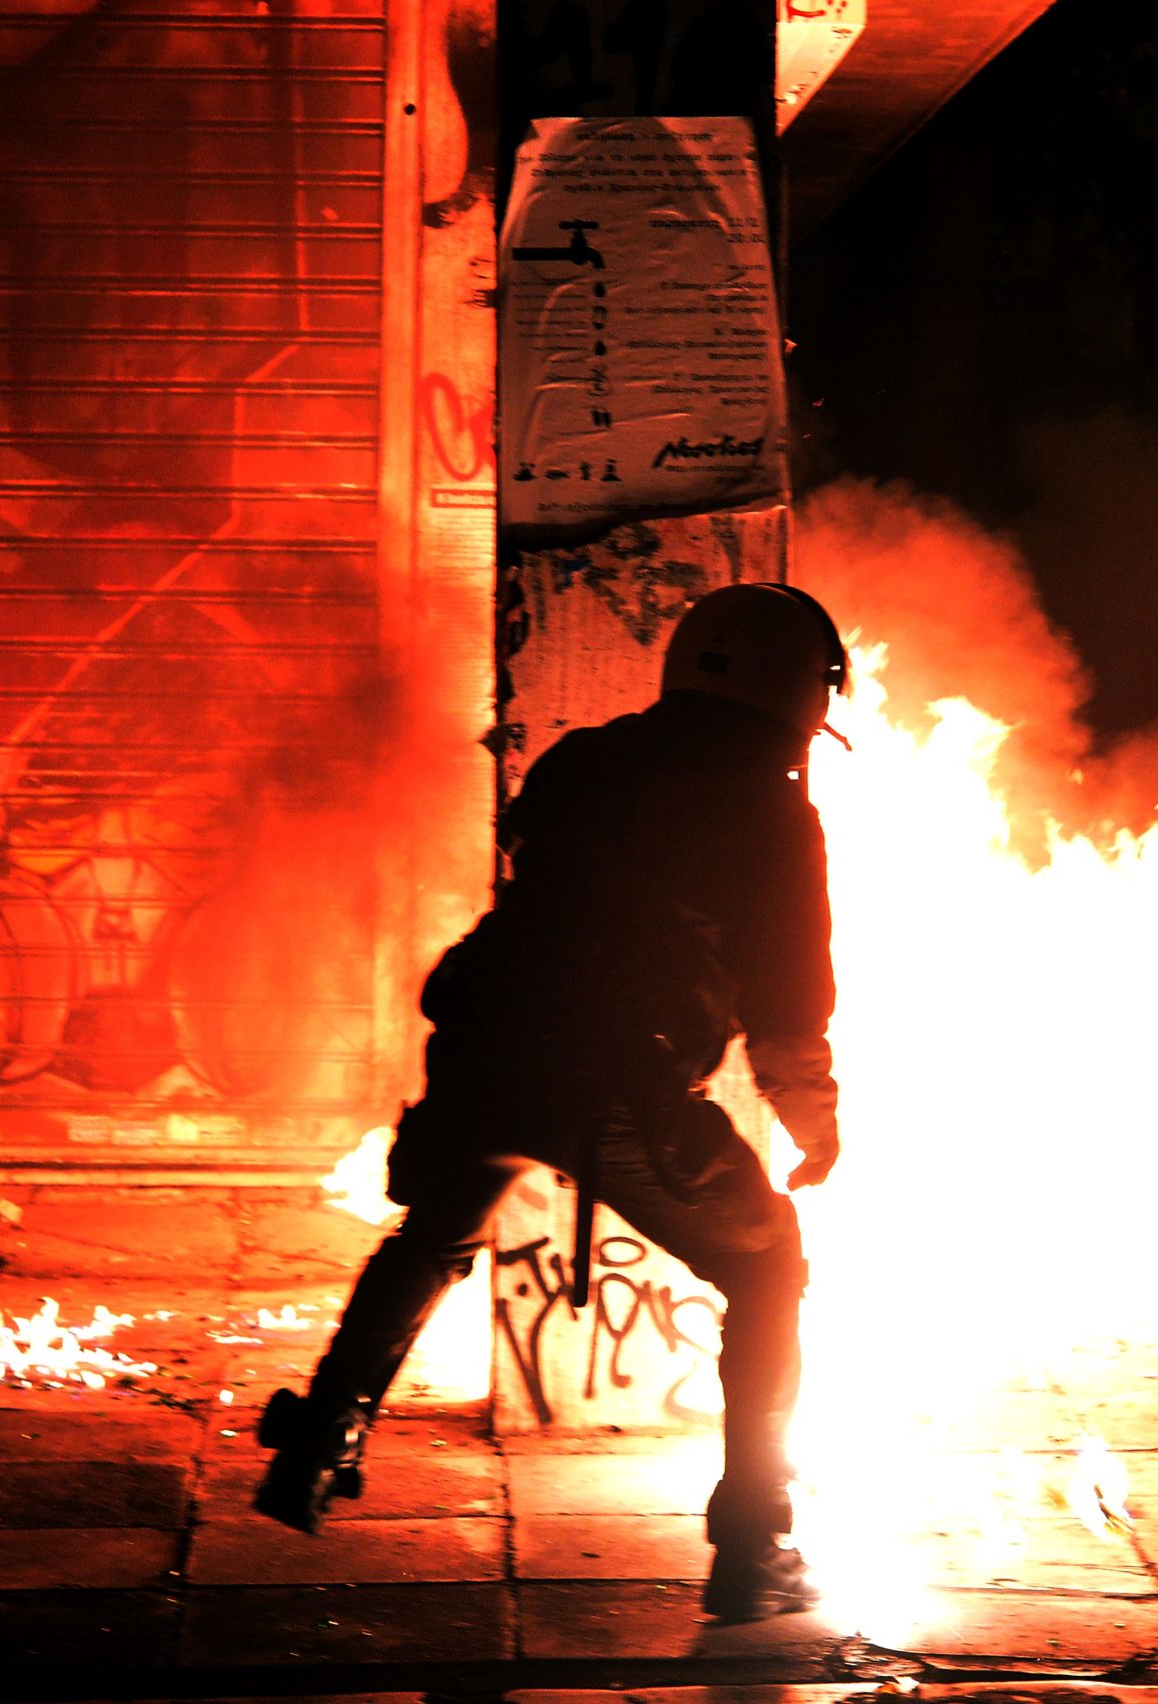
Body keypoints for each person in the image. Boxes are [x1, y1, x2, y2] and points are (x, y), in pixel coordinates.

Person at [254, 582, 848, 1624]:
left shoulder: (586, 757)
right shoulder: (772, 804)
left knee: (433, 1230)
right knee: (768, 1260)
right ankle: (755, 1545)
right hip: (621, 1077)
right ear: (799, 689)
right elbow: (788, 993)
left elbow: (542, 880)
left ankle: (316, 1441)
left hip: (486, 1050)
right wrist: (812, 1116)